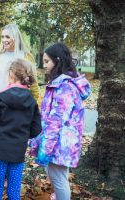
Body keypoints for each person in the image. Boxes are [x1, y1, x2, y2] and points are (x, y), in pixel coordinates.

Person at [29, 43, 91, 200]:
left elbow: (56, 120)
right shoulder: (60, 83)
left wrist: (46, 148)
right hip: (59, 142)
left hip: (61, 143)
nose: (44, 65)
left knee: (58, 178)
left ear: (57, 61)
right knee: (55, 175)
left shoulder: (65, 86)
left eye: (46, 61)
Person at [0, 58, 42, 200]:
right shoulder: (31, 101)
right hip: (17, 153)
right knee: (14, 192)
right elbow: (36, 129)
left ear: (12, 74)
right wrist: (23, 133)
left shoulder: (0, 98)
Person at [0, 24, 40, 101]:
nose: (4, 40)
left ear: (15, 38)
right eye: (2, 37)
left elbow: (33, 85)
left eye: (7, 37)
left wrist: (34, 105)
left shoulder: (27, 57)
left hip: (19, 105)